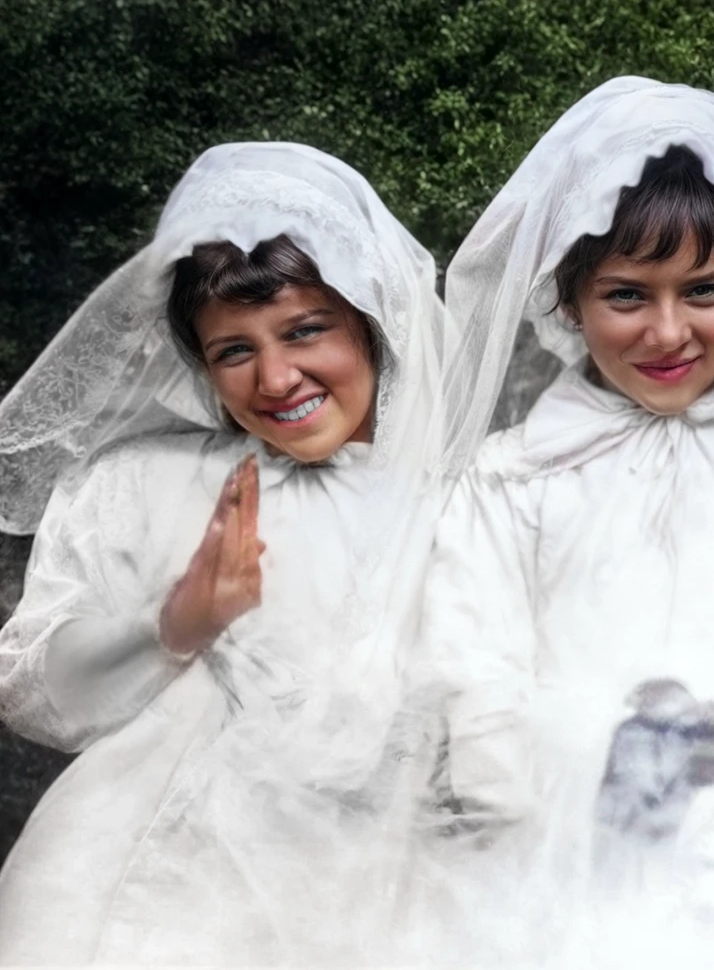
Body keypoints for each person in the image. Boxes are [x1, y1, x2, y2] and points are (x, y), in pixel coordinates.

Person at [419, 78, 714, 969]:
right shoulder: (509, 478)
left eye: (703, 289)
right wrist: (576, 773)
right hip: (559, 875)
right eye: (628, 295)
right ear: (567, 300)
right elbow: (470, 664)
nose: (669, 332)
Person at [0, 143, 495, 964]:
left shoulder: (474, 505)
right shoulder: (140, 487)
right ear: (200, 366)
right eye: (234, 350)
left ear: (373, 323)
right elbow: (28, 693)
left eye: (306, 331)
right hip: (138, 904)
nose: (275, 377)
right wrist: (171, 626)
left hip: (383, 906)